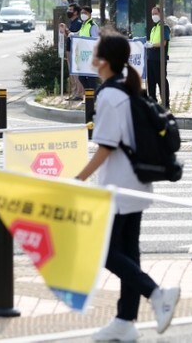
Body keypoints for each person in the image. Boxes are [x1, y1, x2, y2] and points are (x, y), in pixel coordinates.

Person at [76, 30, 180, 341]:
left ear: (103, 61)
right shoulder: (126, 86)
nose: (92, 54)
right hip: (135, 183)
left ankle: (157, 294)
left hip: (118, 187)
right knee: (128, 253)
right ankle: (125, 321)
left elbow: (106, 146)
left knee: (105, 253)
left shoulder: (109, 96)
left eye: (95, 51)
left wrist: (77, 180)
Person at [145, 6, 171, 108]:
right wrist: (148, 44)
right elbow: (153, 41)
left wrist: (152, 45)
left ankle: (165, 103)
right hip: (151, 58)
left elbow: (163, 43)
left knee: (161, 81)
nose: (153, 16)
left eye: (155, 13)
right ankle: (152, 103)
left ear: (160, 14)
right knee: (151, 83)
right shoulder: (154, 28)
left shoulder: (164, 27)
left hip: (159, 59)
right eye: (152, 14)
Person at [64, 2, 83, 101]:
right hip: (69, 49)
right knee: (72, 73)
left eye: (70, 10)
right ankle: (74, 92)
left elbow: (75, 35)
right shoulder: (72, 22)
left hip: (75, 51)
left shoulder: (78, 23)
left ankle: (79, 93)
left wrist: (67, 31)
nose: (68, 11)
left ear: (76, 12)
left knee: (76, 72)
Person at [77, 5, 100, 91]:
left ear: (90, 14)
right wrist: (70, 34)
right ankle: (90, 96)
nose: (83, 14)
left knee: (91, 78)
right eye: (82, 13)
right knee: (82, 77)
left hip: (91, 56)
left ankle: (93, 97)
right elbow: (78, 34)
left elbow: (95, 40)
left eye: (85, 13)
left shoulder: (92, 25)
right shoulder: (84, 25)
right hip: (83, 56)